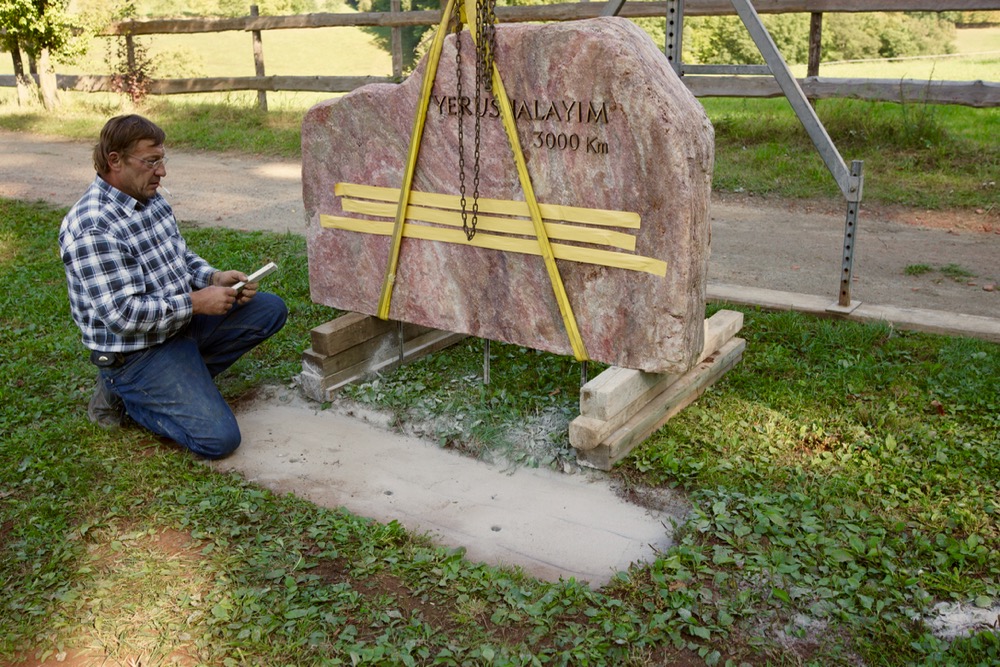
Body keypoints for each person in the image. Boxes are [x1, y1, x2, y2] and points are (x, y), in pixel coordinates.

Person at [59, 114, 288, 459]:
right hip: (136, 351)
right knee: (219, 439)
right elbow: (122, 315)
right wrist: (197, 302)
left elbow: (178, 256)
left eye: (162, 160)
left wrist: (213, 278)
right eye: (151, 161)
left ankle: (181, 376)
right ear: (115, 161)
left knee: (269, 310)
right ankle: (125, 394)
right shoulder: (93, 227)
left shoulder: (150, 199)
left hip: (176, 327)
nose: (162, 171)